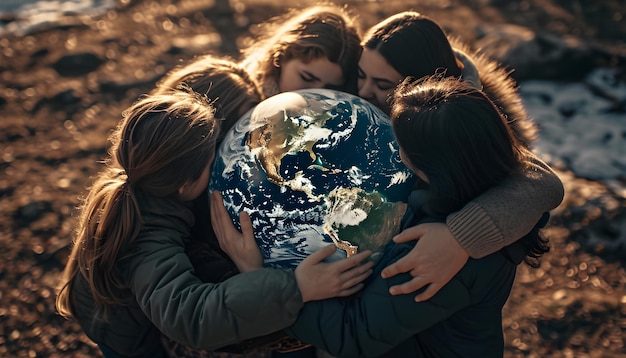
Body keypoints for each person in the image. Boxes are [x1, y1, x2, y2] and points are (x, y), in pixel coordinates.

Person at [54, 90, 374, 358]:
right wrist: (296, 288)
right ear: (184, 184)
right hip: (127, 341)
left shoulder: (143, 185)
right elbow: (192, 316)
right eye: (213, 161)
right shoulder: (145, 238)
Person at [282, 75, 554, 357]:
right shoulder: (488, 204)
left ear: (433, 167)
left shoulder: (429, 252)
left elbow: (354, 333)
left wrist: (283, 292)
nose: (397, 153)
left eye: (402, 146)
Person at [354, 11, 564, 302]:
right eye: (360, 75)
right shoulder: (358, 94)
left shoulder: (466, 122)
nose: (363, 92)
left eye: (383, 85)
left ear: (420, 88)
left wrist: (459, 238)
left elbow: (541, 183)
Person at [240, 4, 362, 98]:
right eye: (307, 78)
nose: (314, 95)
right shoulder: (239, 97)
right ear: (282, 55)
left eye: (329, 89)